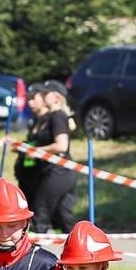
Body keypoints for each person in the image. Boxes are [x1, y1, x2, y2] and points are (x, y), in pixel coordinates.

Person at [25, 82, 79, 233]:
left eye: (45, 94)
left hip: (59, 171)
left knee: (40, 212)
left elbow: (61, 146)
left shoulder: (58, 116)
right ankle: (80, 248)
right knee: (63, 217)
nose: (42, 96)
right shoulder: (48, 117)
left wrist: (36, 151)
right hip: (55, 171)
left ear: (56, 97)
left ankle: (32, 253)